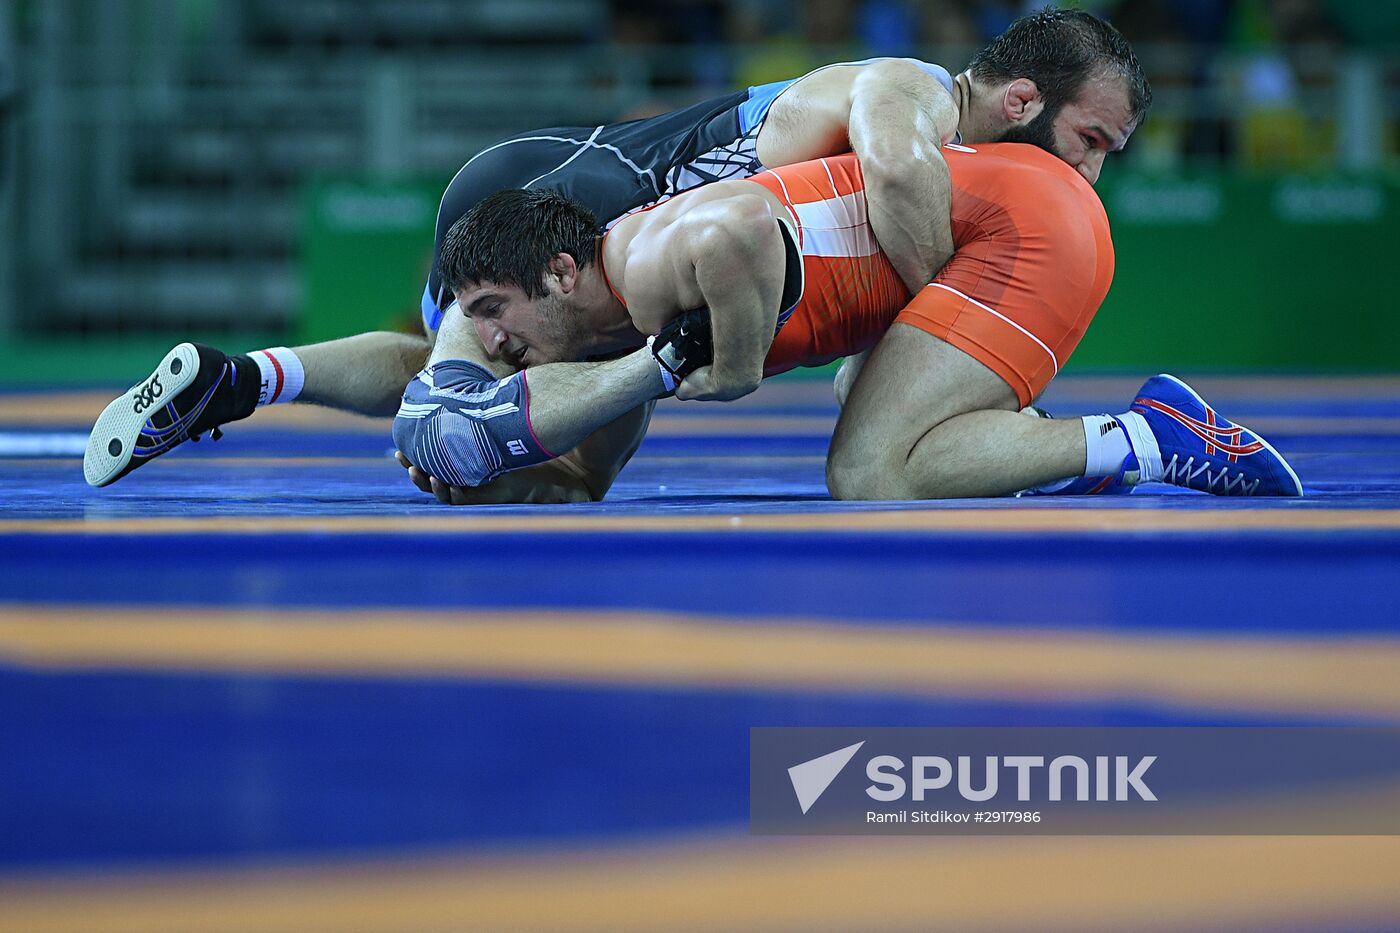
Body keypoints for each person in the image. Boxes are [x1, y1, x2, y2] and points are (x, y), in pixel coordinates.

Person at [85, 9, 1148, 493]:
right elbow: (898, 175)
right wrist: (925, 326)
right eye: (1090, 140)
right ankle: (439, 424)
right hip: (586, 210)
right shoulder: (914, 89)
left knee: (520, 424)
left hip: (579, 194)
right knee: (456, 422)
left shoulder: (958, 142)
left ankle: (244, 378)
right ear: (1021, 99)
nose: (1088, 171)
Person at [392, 140, 1301, 503]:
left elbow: (741, 223)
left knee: (869, 471)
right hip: (1005, 213)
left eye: (492, 311)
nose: (491, 341)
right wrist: (527, 477)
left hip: (1021, 227)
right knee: (865, 398)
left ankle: (1148, 436)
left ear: (560, 272)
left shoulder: (639, 260)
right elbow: (593, 465)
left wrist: (736, 365)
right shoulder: (618, 319)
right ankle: (1073, 455)